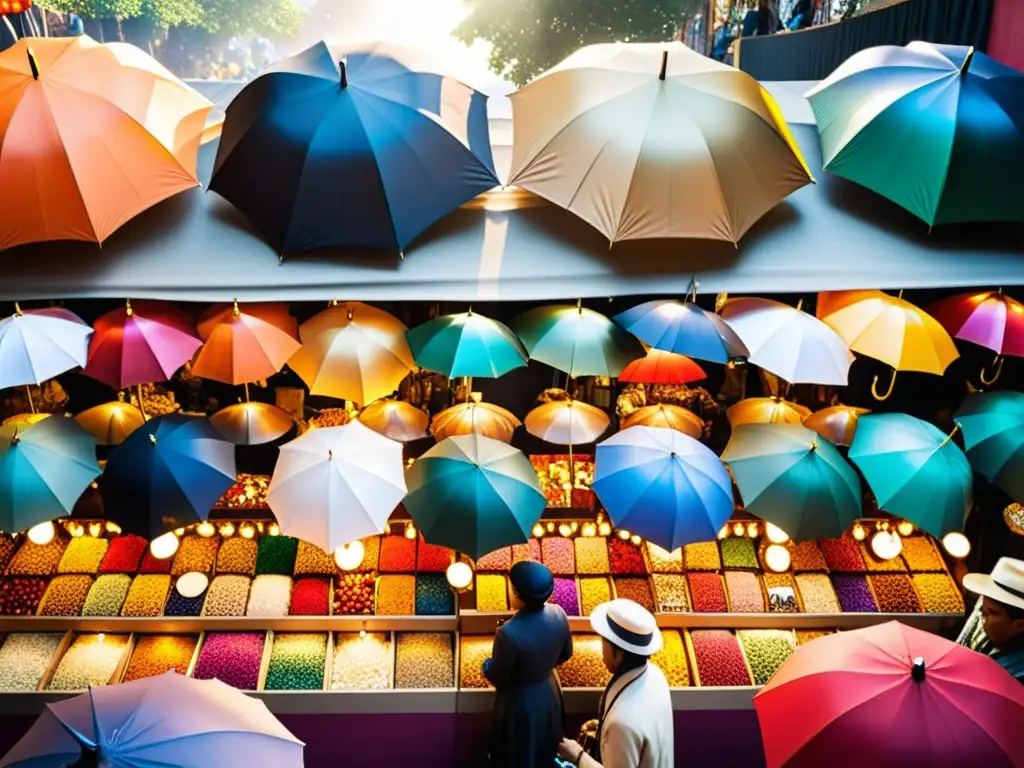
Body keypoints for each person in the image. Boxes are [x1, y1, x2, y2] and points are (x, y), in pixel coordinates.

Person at [558, 599, 673, 768]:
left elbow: (626, 725)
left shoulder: (621, 722)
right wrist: (604, 728)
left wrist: (578, 756)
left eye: (603, 643)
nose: (601, 650)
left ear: (618, 654)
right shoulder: (656, 675)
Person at [482, 560, 573, 768]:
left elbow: (498, 676)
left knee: (518, 754)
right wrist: (543, 664)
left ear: (516, 593)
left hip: (519, 702)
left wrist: (486, 665)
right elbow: (566, 654)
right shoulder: (559, 613)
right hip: (549, 693)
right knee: (545, 749)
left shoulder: (508, 633)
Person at [959, 557, 1024, 683]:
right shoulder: (991, 624)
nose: (981, 614)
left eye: (991, 612)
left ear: (1020, 625)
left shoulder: (1013, 678)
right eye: (982, 607)